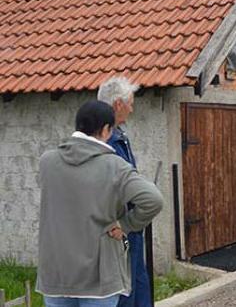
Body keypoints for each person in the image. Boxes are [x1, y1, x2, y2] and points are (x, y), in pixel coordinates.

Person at [36, 101, 163, 307]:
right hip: (99, 277)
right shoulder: (115, 166)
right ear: (105, 129)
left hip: (55, 274)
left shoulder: (47, 161)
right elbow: (153, 200)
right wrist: (126, 225)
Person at [97, 77, 148, 307]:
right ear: (118, 104)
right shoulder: (104, 140)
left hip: (130, 224)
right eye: (130, 102)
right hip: (118, 227)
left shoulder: (119, 135)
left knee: (137, 283)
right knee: (125, 290)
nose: (132, 107)